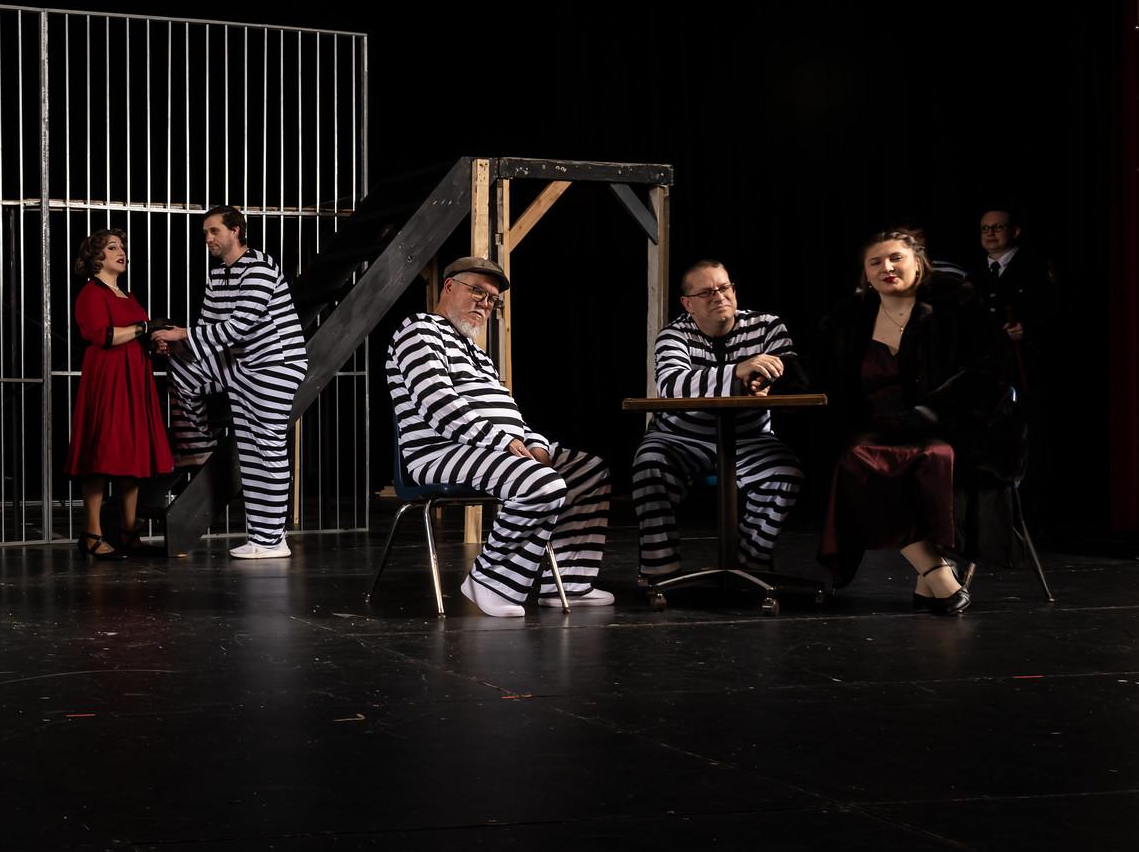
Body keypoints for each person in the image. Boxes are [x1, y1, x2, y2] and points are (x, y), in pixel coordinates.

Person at [385, 257, 614, 617]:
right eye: (477, 291)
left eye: (491, 299)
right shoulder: (418, 330)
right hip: (439, 451)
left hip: (493, 448)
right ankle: (489, 581)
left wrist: (535, 444)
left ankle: (569, 583)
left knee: (588, 471)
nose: (484, 303)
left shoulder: (478, 354)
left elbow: (509, 415)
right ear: (448, 287)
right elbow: (439, 404)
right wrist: (503, 443)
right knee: (543, 484)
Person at [815, 228, 1010, 614]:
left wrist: (930, 412)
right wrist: (770, 372)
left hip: (947, 421)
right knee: (858, 460)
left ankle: (931, 576)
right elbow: (819, 371)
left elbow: (988, 369)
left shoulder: (956, 304)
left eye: (895, 258)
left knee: (935, 458)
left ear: (918, 263)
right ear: (865, 274)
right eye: (875, 262)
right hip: (878, 426)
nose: (886, 267)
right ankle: (935, 571)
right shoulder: (848, 318)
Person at [632, 260, 805, 581]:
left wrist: (769, 381)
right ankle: (660, 577)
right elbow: (672, 386)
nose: (719, 296)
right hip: (679, 439)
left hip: (749, 437)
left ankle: (750, 567)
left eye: (724, 288)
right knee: (649, 468)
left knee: (785, 472)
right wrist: (740, 371)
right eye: (707, 291)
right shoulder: (674, 334)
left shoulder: (767, 326)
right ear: (688, 303)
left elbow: (790, 372)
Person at [153, 206, 309, 559]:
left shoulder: (259, 269)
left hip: (275, 363)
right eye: (205, 232)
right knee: (183, 368)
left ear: (236, 231)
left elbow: (239, 325)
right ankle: (261, 535)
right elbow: (209, 325)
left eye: (214, 231)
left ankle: (272, 539)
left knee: (266, 447)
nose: (207, 238)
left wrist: (185, 333)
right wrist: (176, 342)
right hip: (240, 363)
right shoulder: (218, 275)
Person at [67, 228, 174, 557]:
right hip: (107, 378)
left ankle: (128, 530)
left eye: (123, 246)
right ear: (96, 257)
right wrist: (145, 328)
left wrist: (157, 340)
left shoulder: (130, 296)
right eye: (112, 247)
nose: (121, 251)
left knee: (132, 454)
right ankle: (92, 533)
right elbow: (104, 336)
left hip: (134, 377)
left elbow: (138, 334)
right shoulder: (90, 294)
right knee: (100, 453)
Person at [969, 207, 1057, 390]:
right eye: (984, 229)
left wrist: (1029, 327)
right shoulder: (973, 274)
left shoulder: (1036, 268)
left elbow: (1056, 309)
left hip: (1027, 365)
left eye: (998, 227)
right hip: (985, 369)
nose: (990, 233)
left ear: (1015, 232)